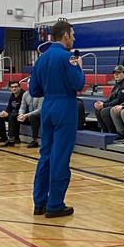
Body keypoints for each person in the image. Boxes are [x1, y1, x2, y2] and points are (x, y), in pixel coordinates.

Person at [29, 20, 85, 218]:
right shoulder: (67, 57)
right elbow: (78, 83)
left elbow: (34, 90)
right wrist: (79, 67)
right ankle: (55, 204)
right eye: (73, 34)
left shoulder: (41, 59)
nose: (74, 38)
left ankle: (39, 203)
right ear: (66, 35)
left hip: (47, 107)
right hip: (65, 106)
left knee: (45, 155)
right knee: (60, 156)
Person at [9, 83, 42, 148]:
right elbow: (22, 107)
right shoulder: (26, 94)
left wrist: (26, 115)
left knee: (33, 117)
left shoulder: (41, 94)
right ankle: (12, 139)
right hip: (28, 115)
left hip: (39, 117)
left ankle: (35, 141)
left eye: (31, 83)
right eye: (28, 83)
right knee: (13, 116)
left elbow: (40, 110)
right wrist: (21, 114)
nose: (30, 85)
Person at [0, 81, 24, 145]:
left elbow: (22, 109)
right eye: (12, 87)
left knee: (12, 116)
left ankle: (15, 139)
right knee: (0, 116)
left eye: (16, 87)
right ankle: (3, 137)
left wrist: (8, 114)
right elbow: (9, 108)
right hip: (13, 114)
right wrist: (5, 112)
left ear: (19, 87)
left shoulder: (23, 95)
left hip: (23, 114)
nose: (14, 89)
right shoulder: (12, 95)